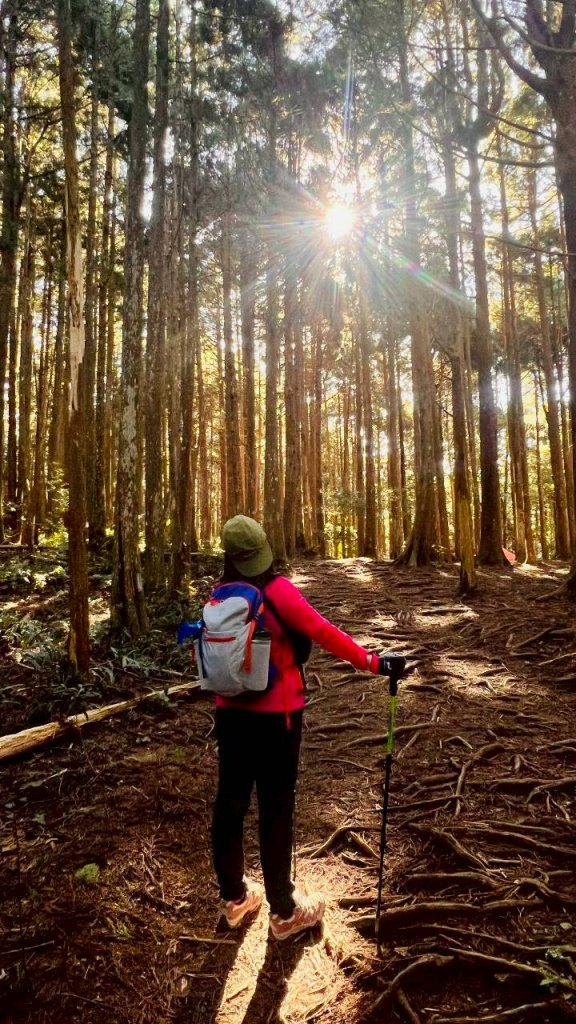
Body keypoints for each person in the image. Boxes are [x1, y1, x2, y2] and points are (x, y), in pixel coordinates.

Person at [206, 514, 386, 942]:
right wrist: (373, 662)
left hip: (229, 715)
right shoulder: (277, 590)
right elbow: (321, 632)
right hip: (277, 719)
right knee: (275, 808)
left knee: (229, 804)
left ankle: (234, 899)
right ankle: (285, 912)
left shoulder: (219, 595)